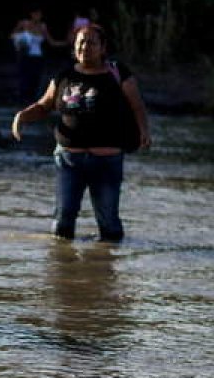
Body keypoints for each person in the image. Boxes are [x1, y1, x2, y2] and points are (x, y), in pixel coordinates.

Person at [11, 24, 151, 241]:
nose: (85, 47)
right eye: (80, 42)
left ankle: (106, 267)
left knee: (109, 223)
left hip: (107, 160)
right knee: (63, 222)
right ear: (74, 48)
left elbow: (137, 105)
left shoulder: (118, 73)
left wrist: (144, 130)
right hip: (68, 160)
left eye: (91, 42)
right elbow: (44, 105)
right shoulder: (63, 76)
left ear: (103, 47)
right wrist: (22, 117)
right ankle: (64, 271)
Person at [9, 6, 65, 101]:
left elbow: (51, 42)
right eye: (36, 14)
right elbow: (12, 36)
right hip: (25, 55)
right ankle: (22, 97)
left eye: (39, 14)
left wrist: (66, 42)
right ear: (31, 14)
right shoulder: (24, 23)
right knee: (24, 77)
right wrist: (21, 42)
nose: (38, 16)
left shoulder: (42, 26)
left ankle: (31, 98)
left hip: (37, 56)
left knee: (35, 77)